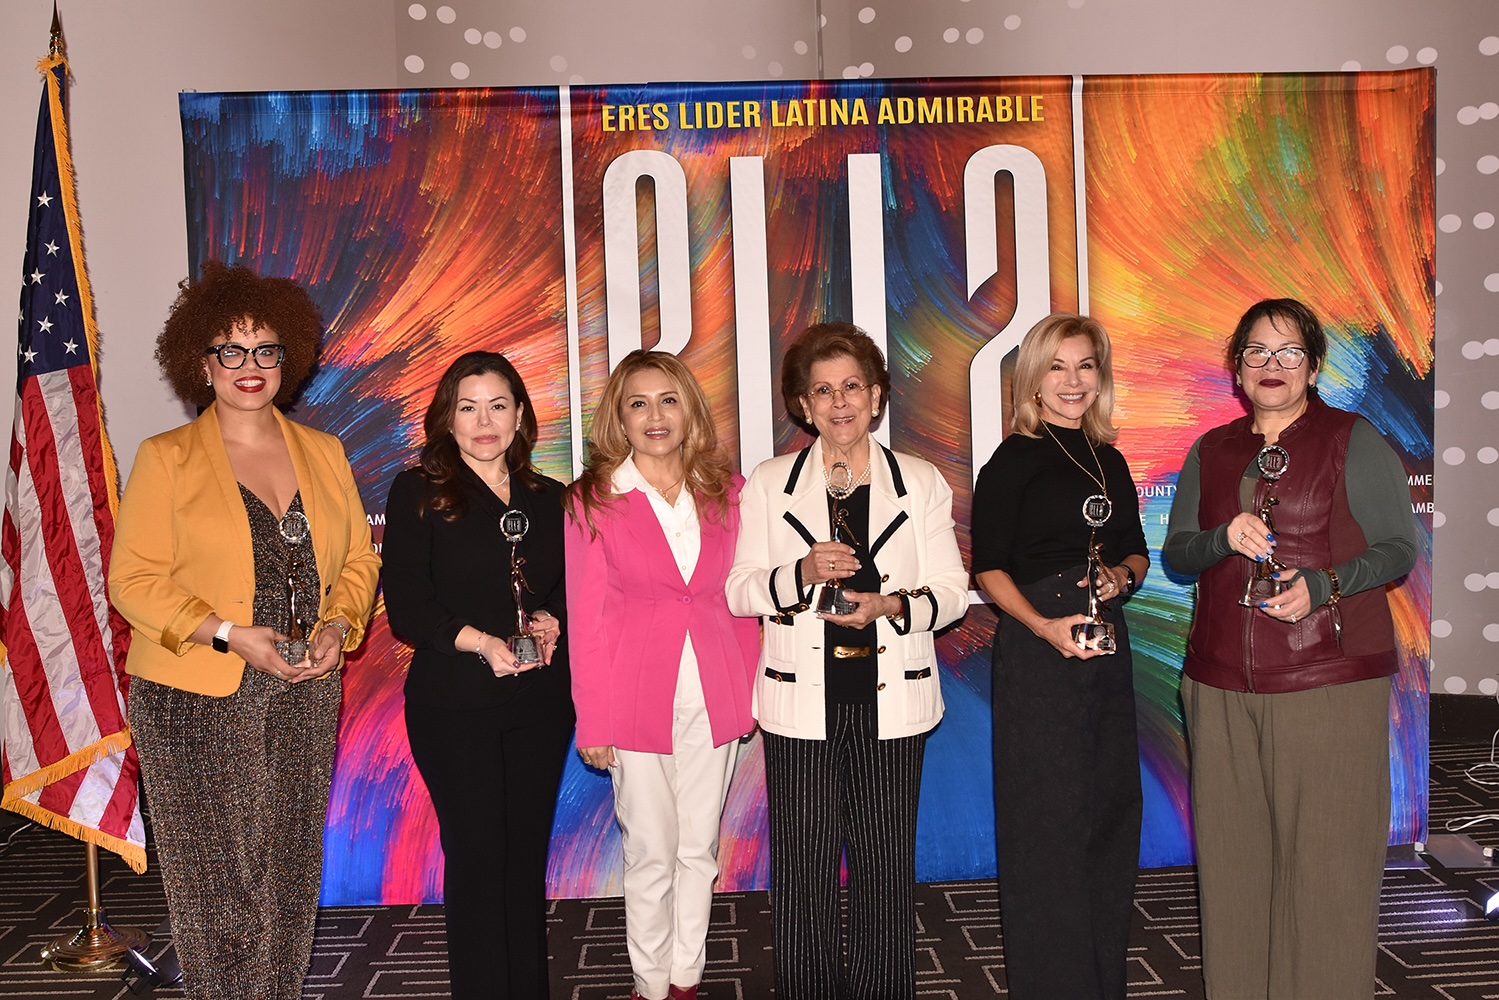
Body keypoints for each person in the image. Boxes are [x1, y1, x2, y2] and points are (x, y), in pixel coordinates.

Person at [109, 261, 380, 1000]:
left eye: (265, 350)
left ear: (286, 360)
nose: (249, 366)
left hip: (303, 688)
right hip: (195, 698)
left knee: (288, 874)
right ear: (201, 362)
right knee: (215, 886)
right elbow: (131, 582)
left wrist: (339, 625)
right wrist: (228, 632)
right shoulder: (166, 457)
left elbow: (357, 558)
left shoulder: (322, 452)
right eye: (231, 350)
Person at [1163, 298, 1418, 1000]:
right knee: (1233, 871)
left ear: (1311, 365)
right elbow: (1180, 552)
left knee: (1328, 873)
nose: (1270, 366)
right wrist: (1222, 537)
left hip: (1327, 682)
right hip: (1217, 688)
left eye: (1287, 352)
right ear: (1236, 369)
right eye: (1255, 352)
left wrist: (1323, 584)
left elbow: (1400, 547)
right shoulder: (1210, 450)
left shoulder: (1351, 439)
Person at [726, 322, 967, 1000]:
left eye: (852, 387)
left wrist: (889, 605)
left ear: (877, 395)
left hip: (892, 701)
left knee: (885, 871)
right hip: (799, 706)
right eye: (822, 390)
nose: (839, 403)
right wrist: (797, 571)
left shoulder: (918, 482)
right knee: (802, 876)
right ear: (802, 405)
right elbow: (740, 590)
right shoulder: (771, 484)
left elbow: (950, 595)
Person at [564, 350, 760, 1000]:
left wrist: (754, 687)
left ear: (689, 410)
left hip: (717, 690)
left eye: (667, 400)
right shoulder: (592, 501)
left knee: (699, 849)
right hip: (632, 701)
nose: (655, 416)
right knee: (650, 852)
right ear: (618, 417)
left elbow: (740, 593)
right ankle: (650, 987)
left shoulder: (727, 492)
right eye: (638, 403)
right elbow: (585, 620)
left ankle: (685, 980)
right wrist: (591, 720)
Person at [381, 351, 573, 999]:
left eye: (497, 405)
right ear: (447, 419)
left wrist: (550, 619)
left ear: (520, 416)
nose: (483, 421)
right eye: (468, 407)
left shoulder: (552, 499)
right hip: (453, 705)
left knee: (522, 863)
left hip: (540, 705)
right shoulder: (418, 490)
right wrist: (482, 643)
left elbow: (573, 588)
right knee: (478, 859)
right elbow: (408, 604)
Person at [970, 313, 1149, 1000]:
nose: (1073, 381)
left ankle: (1103, 982)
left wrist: (1119, 580)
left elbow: (1132, 546)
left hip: (1107, 650)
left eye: (1085, 366)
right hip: (1039, 653)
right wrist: (1043, 626)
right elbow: (987, 570)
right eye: (1057, 367)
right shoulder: (1012, 459)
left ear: (1099, 377)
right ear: (1033, 381)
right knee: (1045, 827)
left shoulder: (1111, 458)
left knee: (1109, 812)